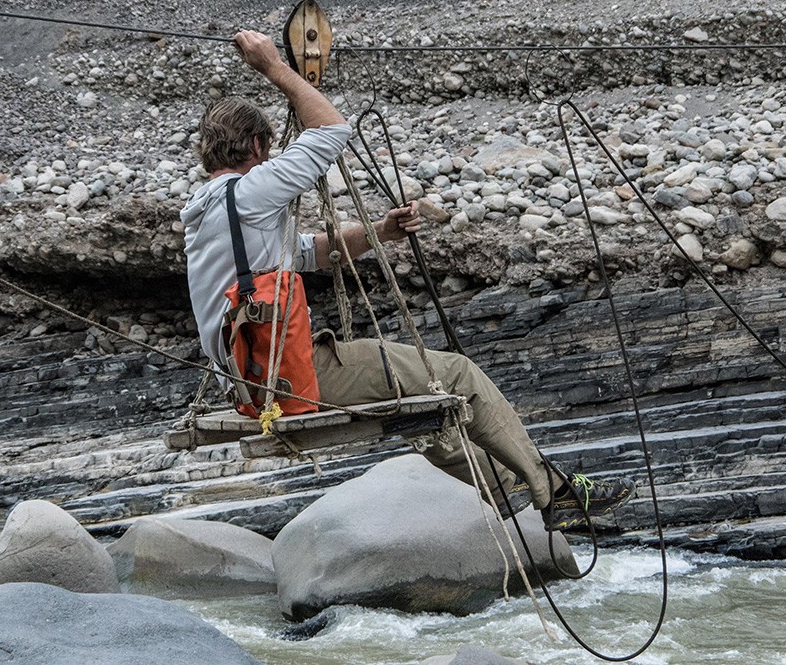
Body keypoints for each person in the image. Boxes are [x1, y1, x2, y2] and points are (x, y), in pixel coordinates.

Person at [180, 30, 634, 529]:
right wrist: (273, 68)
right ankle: (557, 493)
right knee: (456, 375)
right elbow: (332, 130)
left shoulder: (212, 210)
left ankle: (508, 490)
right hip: (289, 380)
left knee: (431, 414)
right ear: (259, 145)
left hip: (253, 383)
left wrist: (382, 232)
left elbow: (309, 252)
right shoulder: (251, 191)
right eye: (266, 147)